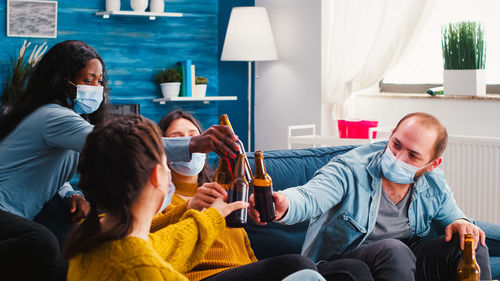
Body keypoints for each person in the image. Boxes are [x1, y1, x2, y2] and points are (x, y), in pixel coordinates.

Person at [0, 41, 239, 281]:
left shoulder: (62, 120)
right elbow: (126, 145)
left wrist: (71, 194)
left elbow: (47, 168)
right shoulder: (53, 117)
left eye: (99, 80)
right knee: (42, 244)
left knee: (72, 247)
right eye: (88, 80)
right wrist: (196, 143)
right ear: (63, 81)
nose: (96, 87)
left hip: (23, 214)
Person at [249, 112, 492, 281]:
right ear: (392, 134)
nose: (398, 157)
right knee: (394, 249)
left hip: (403, 265)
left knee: (471, 242)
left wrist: (462, 222)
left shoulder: (433, 183)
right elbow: (310, 196)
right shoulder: (351, 168)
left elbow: (454, 217)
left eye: (413, 155)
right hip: (344, 265)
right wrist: (284, 204)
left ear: (432, 164)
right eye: (396, 144)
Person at [155, 110, 373, 281]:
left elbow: (247, 252)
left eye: (194, 137)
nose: (189, 145)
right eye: (178, 139)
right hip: (200, 277)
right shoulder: (157, 197)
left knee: (353, 269)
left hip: (244, 272)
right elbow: (150, 244)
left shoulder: (225, 189)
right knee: (297, 266)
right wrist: (189, 208)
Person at [63, 114, 248, 281]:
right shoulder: (149, 272)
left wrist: (209, 215)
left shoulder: (91, 241)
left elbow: (169, 241)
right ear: (158, 175)